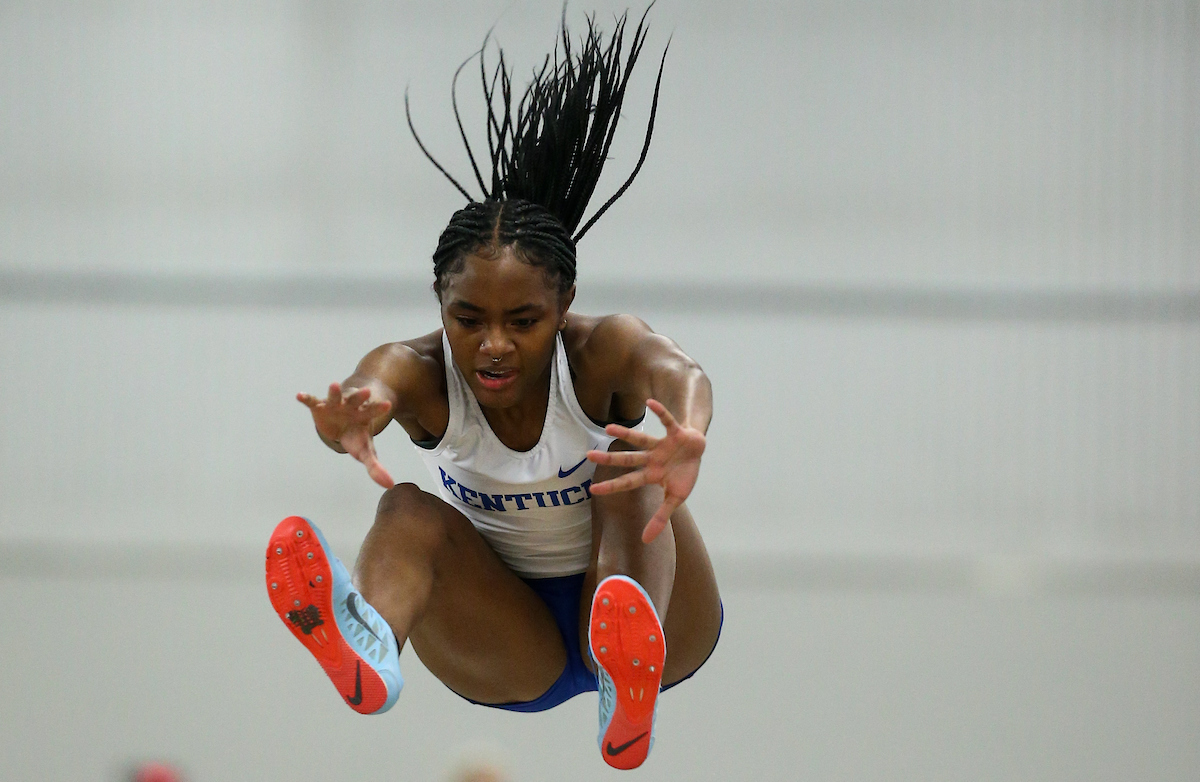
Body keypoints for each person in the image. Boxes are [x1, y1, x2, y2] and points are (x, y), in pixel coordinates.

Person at [265, 9, 722, 771]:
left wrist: (690, 431)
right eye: (467, 319)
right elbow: (371, 387)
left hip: (656, 614)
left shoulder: (603, 351)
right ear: (439, 303)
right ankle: (370, 644)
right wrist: (347, 418)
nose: (494, 344)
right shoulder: (419, 369)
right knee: (404, 508)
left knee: (628, 472)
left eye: (523, 320)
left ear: (565, 306)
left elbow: (680, 374)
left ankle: (625, 683)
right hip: (512, 638)